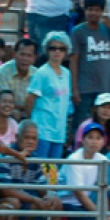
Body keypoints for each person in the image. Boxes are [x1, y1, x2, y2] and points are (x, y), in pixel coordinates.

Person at [69, 0, 110, 131]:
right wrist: (74, 88)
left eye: (97, 10)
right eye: (90, 9)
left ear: (102, 11)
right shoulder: (78, 32)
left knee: (105, 126)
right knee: (80, 125)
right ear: (84, 10)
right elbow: (73, 60)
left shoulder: (107, 30)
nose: (94, 13)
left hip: (105, 88)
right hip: (85, 87)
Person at [0, 119, 63, 220]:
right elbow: (5, 190)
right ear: (17, 137)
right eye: (27, 138)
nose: (31, 142)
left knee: (55, 201)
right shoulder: (5, 156)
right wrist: (35, 200)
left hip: (30, 204)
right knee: (14, 203)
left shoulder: (35, 159)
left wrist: (49, 195)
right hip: (8, 202)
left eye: (34, 138)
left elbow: (42, 185)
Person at [58, 122, 110, 220]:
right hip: (67, 204)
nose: (94, 141)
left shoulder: (102, 159)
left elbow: (103, 191)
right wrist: (102, 217)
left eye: (98, 138)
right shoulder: (74, 159)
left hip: (85, 204)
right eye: (90, 137)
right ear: (83, 140)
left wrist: (106, 215)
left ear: (103, 142)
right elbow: (79, 194)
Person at [26, 31, 73, 159]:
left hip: (59, 132)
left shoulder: (67, 73)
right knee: (40, 170)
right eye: (53, 48)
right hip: (42, 130)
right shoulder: (42, 73)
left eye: (61, 48)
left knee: (53, 172)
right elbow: (30, 98)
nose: (57, 51)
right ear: (47, 50)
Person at [0, 0, 79, 48]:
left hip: (62, 17)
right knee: (43, 54)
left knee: (59, 53)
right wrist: (8, 4)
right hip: (39, 16)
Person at [0, 39, 38, 120]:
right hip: (9, 115)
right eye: (22, 54)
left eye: (29, 55)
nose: (25, 59)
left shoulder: (37, 74)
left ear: (35, 58)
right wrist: (28, 106)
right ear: (14, 54)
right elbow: (5, 101)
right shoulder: (2, 73)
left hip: (31, 116)